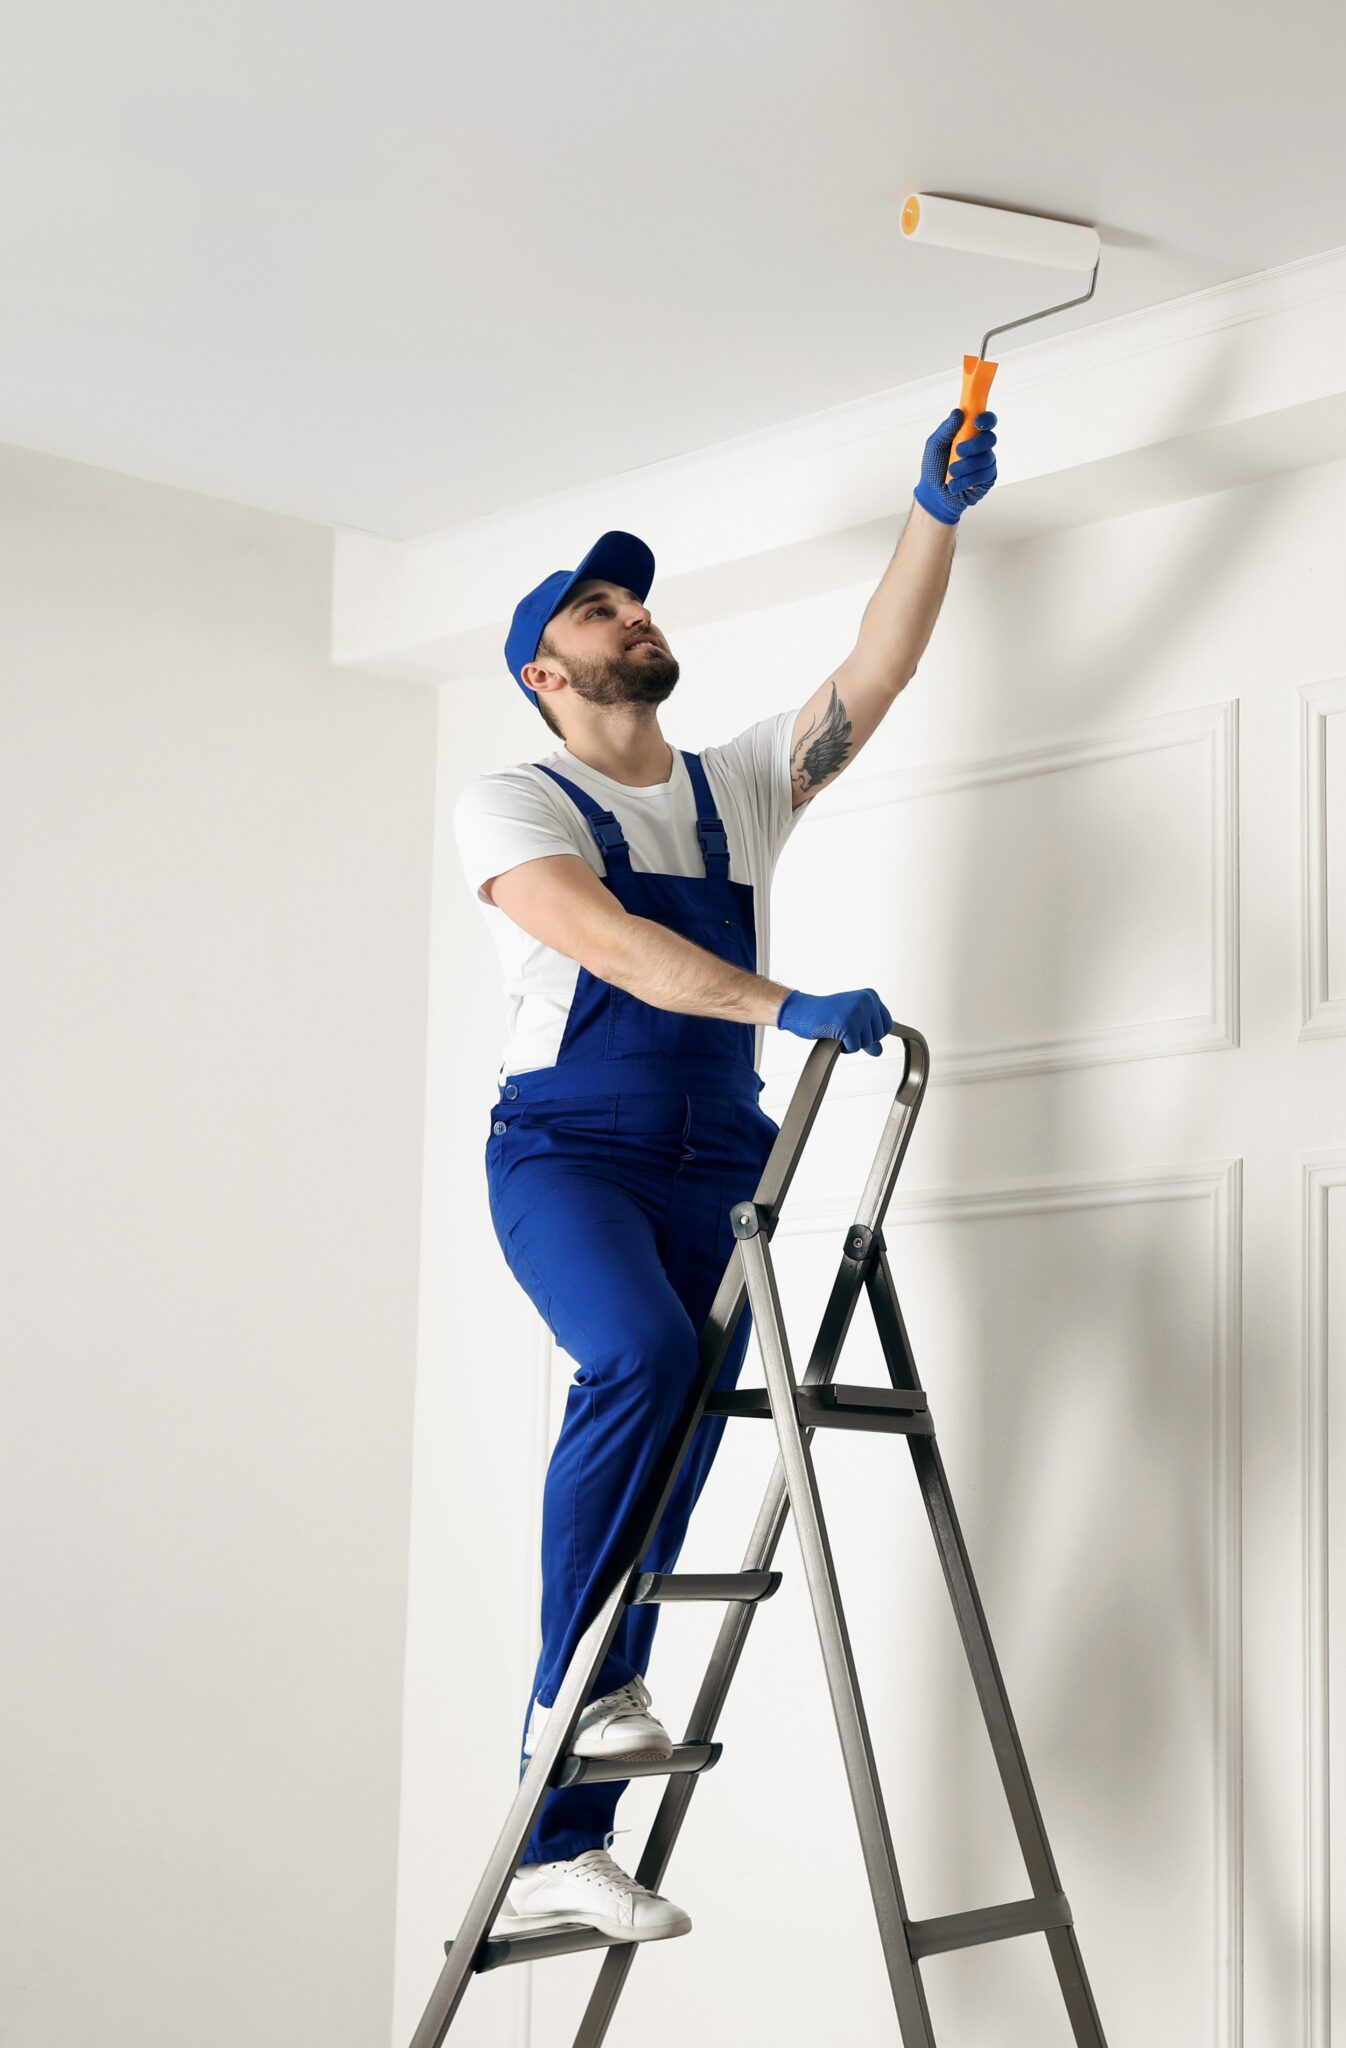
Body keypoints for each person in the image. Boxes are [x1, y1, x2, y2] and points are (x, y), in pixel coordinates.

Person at [447, 408, 998, 1944]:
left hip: (718, 1162)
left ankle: (565, 1837)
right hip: (571, 1150)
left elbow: (873, 678)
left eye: (637, 600)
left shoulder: (731, 790)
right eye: (597, 610)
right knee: (638, 1354)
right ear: (545, 673)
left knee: (681, 1445)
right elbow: (611, 944)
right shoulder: (517, 802)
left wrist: (932, 513)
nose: (636, 616)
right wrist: (781, 1003)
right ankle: (576, 1677)